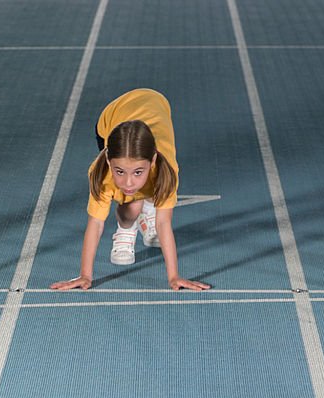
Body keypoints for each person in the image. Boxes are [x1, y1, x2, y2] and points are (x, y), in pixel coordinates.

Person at [51, 88, 209, 291]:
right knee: (131, 205)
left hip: (157, 102)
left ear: (152, 161)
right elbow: (96, 223)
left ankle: (146, 207)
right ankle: (126, 228)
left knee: (146, 193)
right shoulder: (101, 173)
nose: (127, 183)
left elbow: (163, 222)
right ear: (108, 159)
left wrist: (174, 276)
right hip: (112, 115)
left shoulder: (167, 169)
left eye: (137, 172)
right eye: (119, 171)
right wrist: (85, 275)